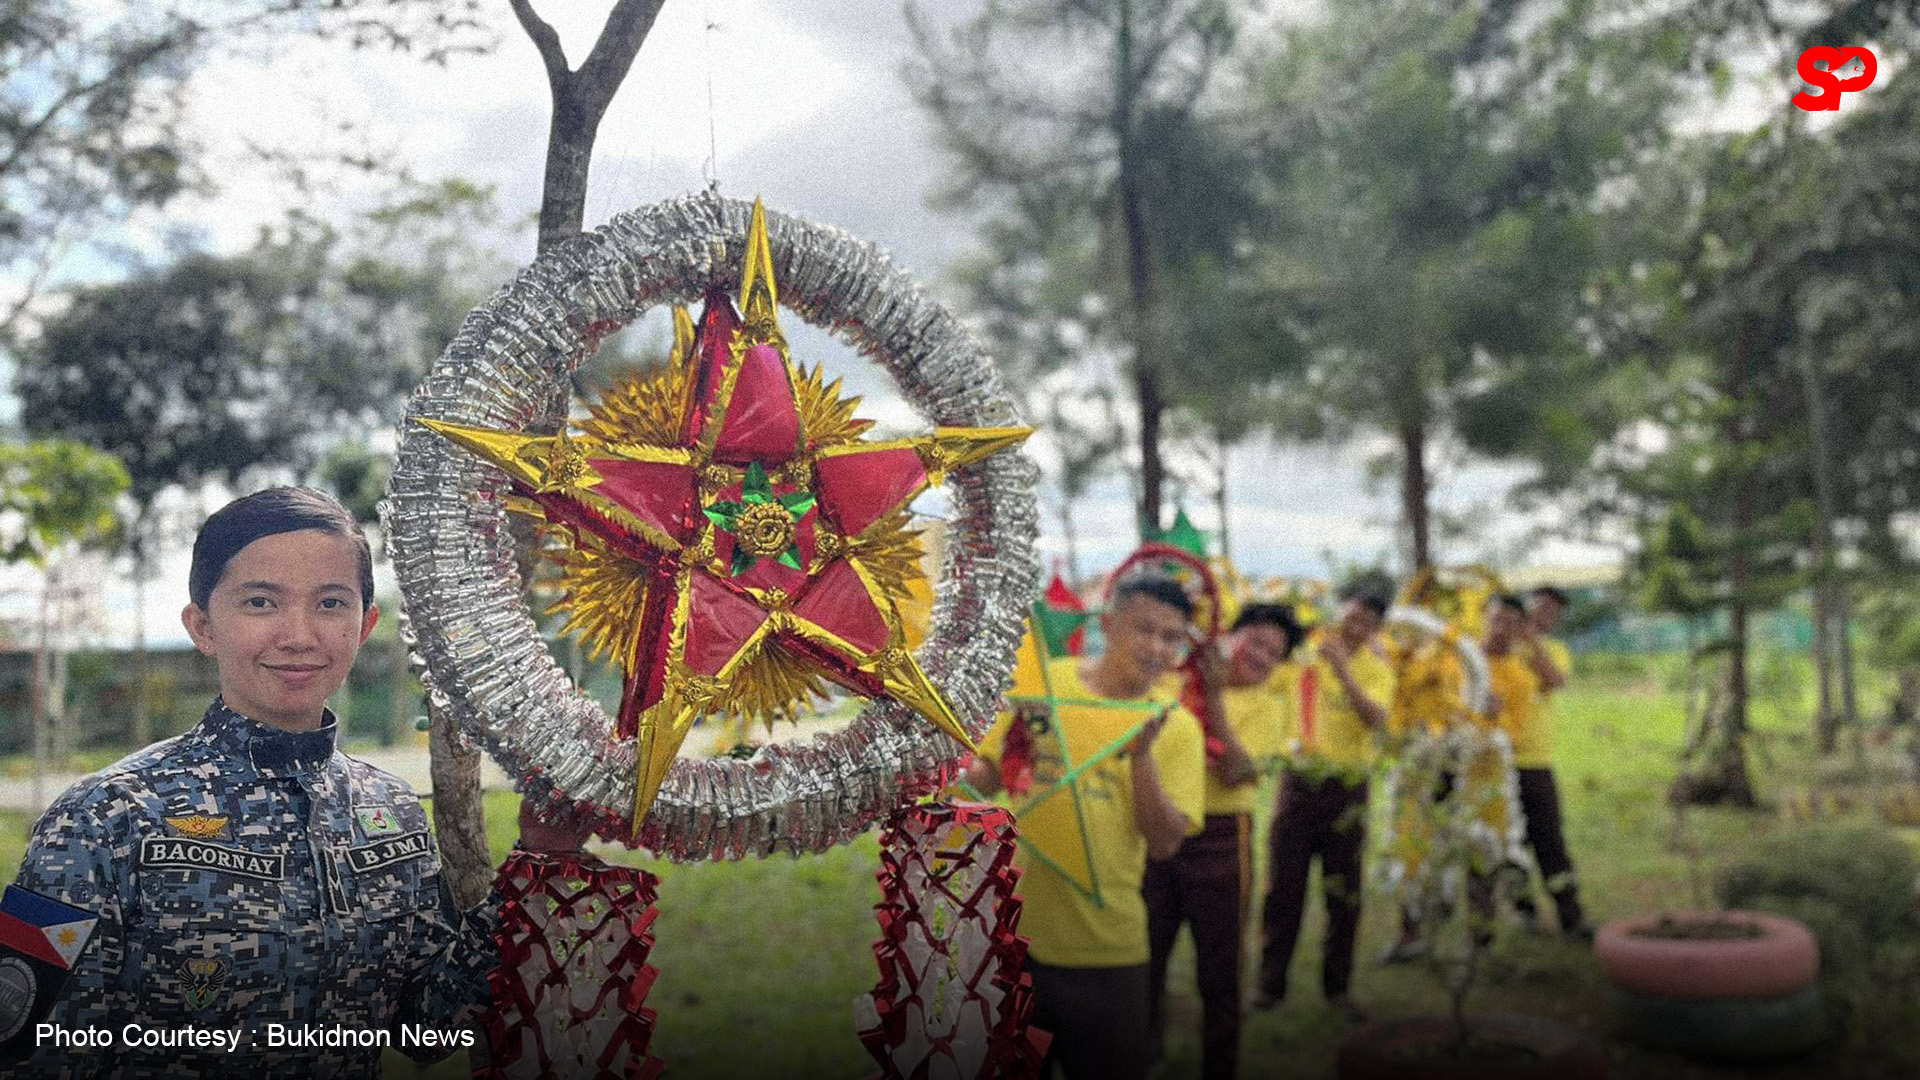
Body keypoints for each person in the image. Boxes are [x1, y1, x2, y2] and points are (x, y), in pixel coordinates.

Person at [11, 487, 584, 1078]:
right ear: (202, 626)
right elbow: (24, 1046)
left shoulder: (391, 811)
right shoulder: (102, 816)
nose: (300, 634)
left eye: (331, 603)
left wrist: (542, 858)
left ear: (366, 625)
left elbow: (431, 1029)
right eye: (261, 602)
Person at [967, 575, 1207, 1080]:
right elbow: (986, 778)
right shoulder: (1046, 688)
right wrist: (934, 746)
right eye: (1146, 630)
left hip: (1110, 953)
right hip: (1015, 939)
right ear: (1110, 623)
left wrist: (1141, 756)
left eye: (1172, 638)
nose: (1158, 648)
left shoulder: (1177, 726)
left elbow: (1165, 844)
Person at [1144, 603, 1301, 1080]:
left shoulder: (1268, 705)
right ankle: (1144, 1053)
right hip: (1160, 830)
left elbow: (1237, 771)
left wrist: (1212, 698)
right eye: (1255, 640)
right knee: (1146, 951)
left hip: (1221, 837)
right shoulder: (1174, 681)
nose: (1261, 656)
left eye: (1274, 653)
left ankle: (1220, 1064)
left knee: (1221, 964)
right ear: (1230, 637)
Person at [1251, 588, 1395, 1022]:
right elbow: (1264, 679)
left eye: (1367, 620)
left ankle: (1338, 990)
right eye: (1352, 613)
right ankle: (1268, 987)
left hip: (1348, 789)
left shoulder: (1376, 669)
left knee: (1343, 893)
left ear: (1375, 628)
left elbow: (1376, 718)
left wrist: (1344, 671)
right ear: (1342, 611)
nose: (1355, 624)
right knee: (1283, 890)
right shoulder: (1307, 657)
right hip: (1298, 785)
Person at [1514, 585, 1590, 938]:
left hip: (1536, 761)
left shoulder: (1554, 650)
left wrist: (1531, 642)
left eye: (1553, 613)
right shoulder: (1499, 645)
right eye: (1540, 607)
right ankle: (1523, 911)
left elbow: (1554, 680)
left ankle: (1570, 916)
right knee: (1508, 845)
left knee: (1550, 841)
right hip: (1496, 762)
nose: (1546, 615)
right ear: (1526, 607)